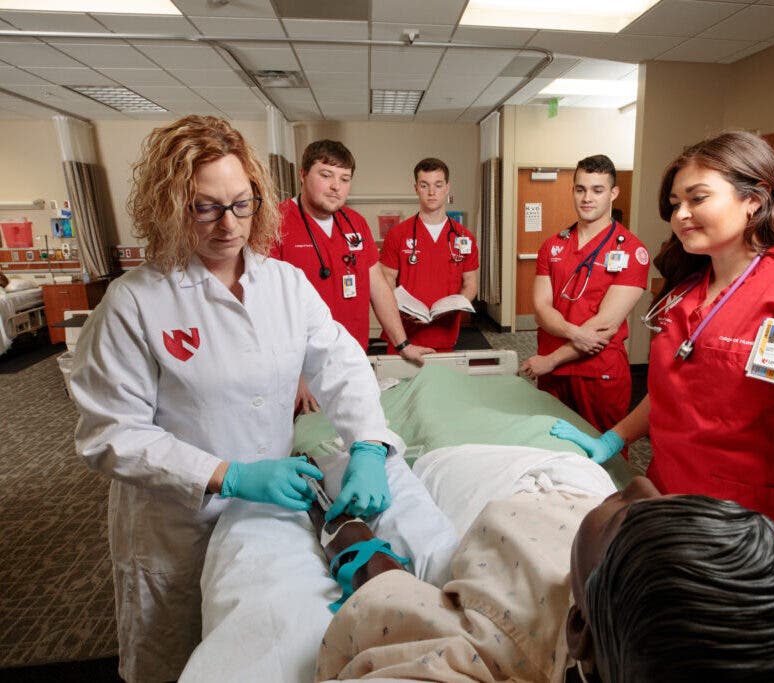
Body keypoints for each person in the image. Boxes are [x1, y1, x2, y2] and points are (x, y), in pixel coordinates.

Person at [68, 116, 417, 682]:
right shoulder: (135, 302)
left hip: (264, 519)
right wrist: (227, 475)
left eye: (242, 203)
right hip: (176, 521)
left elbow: (341, 363)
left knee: (258, 649)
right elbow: (110, 434)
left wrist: (371, 446)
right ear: (170, 205)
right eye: (205, 207)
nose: (228, 224)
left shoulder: (284, 284)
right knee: (173, 659)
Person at [552, 131, 774, 601]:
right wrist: (614, 437)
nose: (680, 214)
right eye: (674, 202)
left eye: (697, 198)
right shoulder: (686, 288)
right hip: (667, 508)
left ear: (756, 198)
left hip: (750, 532)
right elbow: (674, 388)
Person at [314, 475, 774, 682]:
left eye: (632, 515)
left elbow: (387, 595)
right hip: (564, 482)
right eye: (673, 502)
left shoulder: (503, 646)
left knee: (394, 485)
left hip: (484, 496)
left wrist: (355, 541)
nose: (643, 482)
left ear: (580, 629)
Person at [270, 139, 433, 412]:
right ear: (302, 174)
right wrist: (294, 375)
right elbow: (268, 308)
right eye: (326, 175)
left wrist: (402, 343)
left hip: (352, 357)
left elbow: (377, 286)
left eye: (345, 179)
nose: (336, 186)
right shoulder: (275, 224)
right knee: (305, 445)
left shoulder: (354, 223)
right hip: (301, 369)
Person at [520, 154, 649, 432]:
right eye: (580, 189)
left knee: (603, 459)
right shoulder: (552, 246)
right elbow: (541, 310)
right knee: (551, 449)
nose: (587, 198)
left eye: (597, 190)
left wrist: (551, 359)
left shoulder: (631, 252)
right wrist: (575, 333)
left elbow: (604, 326)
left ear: (613, 193)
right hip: (553, 374)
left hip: (597, 374)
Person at [379, 157, 479, 353]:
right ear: (416, 188)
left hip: (445, 333)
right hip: (403, 335)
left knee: (442, 383)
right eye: (424, 185)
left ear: (447, 187)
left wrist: (454, 306)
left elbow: (471, 283)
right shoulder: (398, 234)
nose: (432, 192)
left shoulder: (463, 237)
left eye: (438, 185)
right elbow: (386, 282)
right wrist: (402, 309)